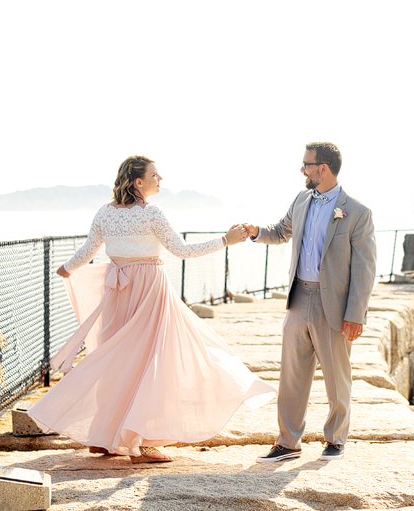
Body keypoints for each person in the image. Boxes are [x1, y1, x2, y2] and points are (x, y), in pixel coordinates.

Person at [27, 155, 275, 463]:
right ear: (138, 182)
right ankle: (138, 443)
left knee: (115, 360)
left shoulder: (104, 212)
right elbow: (183, 251)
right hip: (148, 292)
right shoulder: (152, 214)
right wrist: (225, 240)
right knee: (151, 364)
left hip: (118, 292)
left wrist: (66, 269)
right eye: (155, 175)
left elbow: (88, 250)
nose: (161, 179)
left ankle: (104, 436)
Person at [244, 142, 376, 462]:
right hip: (299, 298)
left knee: (336, 376)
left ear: (323, 169)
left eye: (306, 164)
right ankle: (288, 442)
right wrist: (255, 231)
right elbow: (280, 231)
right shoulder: (302, 200)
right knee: (291, 376)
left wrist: (355, 314)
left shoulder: (357, 212)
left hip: (334, 305)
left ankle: (335, 439)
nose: (301, 169)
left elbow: (365, 268)